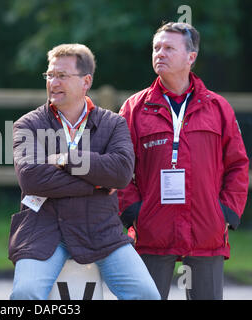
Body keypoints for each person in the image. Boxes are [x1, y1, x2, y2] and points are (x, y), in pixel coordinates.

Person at [9, 43, 160, 300]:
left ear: (86, 81)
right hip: (43, 231)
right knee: (25, 294)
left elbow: (122, 173)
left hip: (102, 230)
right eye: (50, 75)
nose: (53, 82)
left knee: (147, 294)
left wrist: (68, 160)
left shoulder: (113, 124)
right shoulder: (28, 124)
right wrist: (97, 184)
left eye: (62, 76)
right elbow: (32, 178)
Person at [118, 22, 249, 300]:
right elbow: (119, 167)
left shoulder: (217, 107)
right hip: (151, 230)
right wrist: (134, 212)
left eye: (168, 48)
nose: (159, 53)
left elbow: (238, 164)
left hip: (206, 229)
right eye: (156, 48)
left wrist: (225, 212)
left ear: (191, 57)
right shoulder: (134, 108)